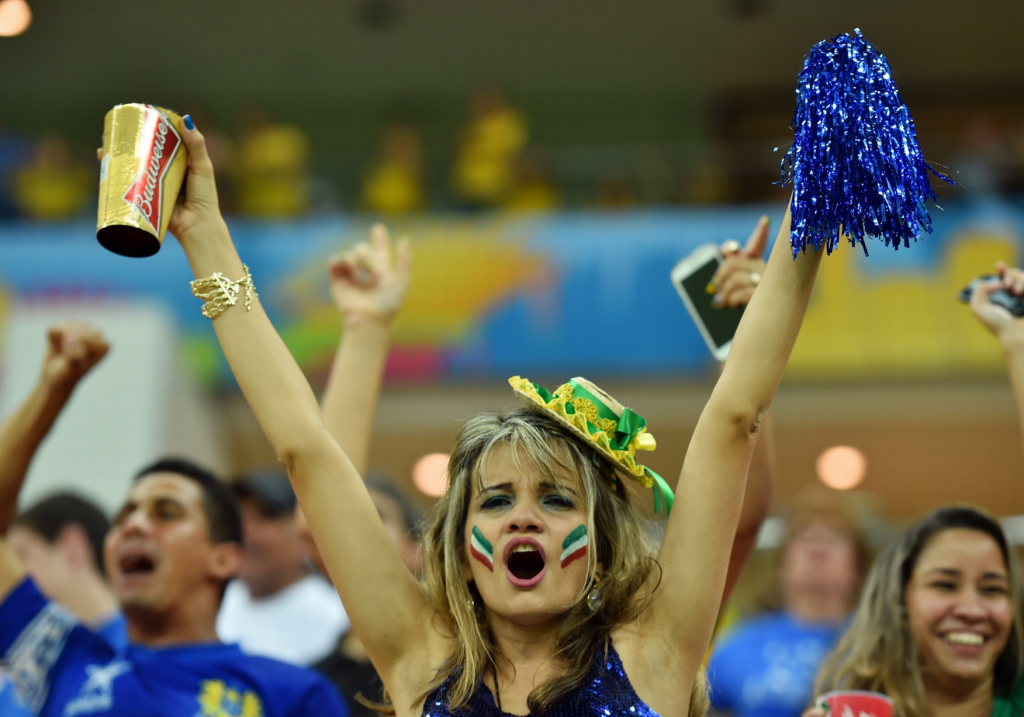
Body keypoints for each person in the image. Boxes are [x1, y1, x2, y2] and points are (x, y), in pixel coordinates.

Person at [166, 114, 823, 717]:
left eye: (559, 498)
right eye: (496, 499)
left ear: (598, 545)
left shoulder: (659, 648)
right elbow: (305, 447)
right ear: (459, 543)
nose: (524, 516)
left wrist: (814, 208)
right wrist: (204, 234)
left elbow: (735, 413)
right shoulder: (418, 655)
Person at [0, 322, 348, 716]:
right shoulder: (64, 661)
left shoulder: (292, 694)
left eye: (167, 512)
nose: (133, 525)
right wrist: (51, 391)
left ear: (224, 559)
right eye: (125, 513)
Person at [708, 492, 868, 717]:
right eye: (803, 536)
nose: (817, 549)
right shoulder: (737, 643)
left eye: (834, 537)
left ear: (857, 568)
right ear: (783, 565)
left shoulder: (882, 640)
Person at [1, 493, 127, 716]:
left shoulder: (150, 652)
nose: (9, 575)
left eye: (20, 555)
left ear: (72, 546)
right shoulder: (12, 686)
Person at [216, 470, 349, 665]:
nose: (246, 531)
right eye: (239, 517)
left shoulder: (337, 617)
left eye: (265, 516)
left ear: (304, 532)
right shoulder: (212, 609)